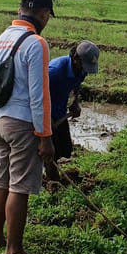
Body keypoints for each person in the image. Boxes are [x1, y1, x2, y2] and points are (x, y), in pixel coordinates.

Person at [0, 0, 57, 254]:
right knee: (19, 187)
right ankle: (14, 249)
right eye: (48, 15)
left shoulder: (3, 37)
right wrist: (46, 137)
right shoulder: (36, 43)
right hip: (22, 123)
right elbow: (39, 95)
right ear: (42, 13)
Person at [44, 41, 100, 180]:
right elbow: (38, 96)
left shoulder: (81, 69)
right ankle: (53, 184)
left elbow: (77, 85)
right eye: (84, 65)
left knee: (66, 150)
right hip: (45, 115)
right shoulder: (54, 72)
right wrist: (46, 120)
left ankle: (58, 177)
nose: (86, 70)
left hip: (60, 112)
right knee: (51, 153)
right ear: (75, 58)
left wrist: (75, 102)